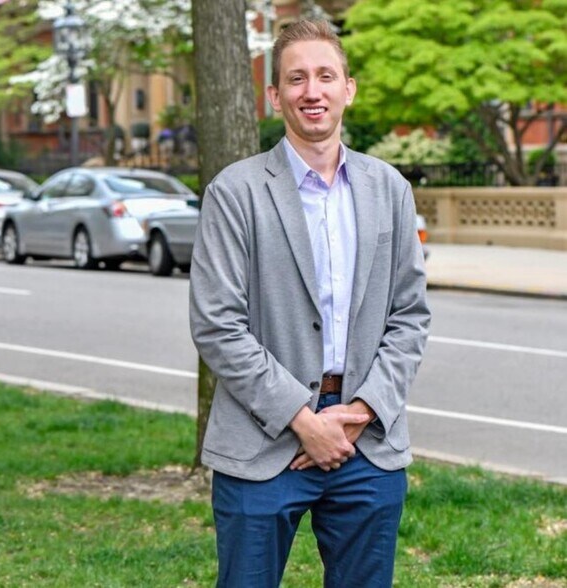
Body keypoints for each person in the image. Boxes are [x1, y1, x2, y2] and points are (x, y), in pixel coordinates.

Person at [189, 19, 431, 588]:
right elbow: (217, 325)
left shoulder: (390, 189)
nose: (312, 91)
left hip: (367, 443)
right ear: (275, 97)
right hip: (261, 443)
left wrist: (360, 413)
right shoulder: (234, 192)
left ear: (349, 88)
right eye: (296, 79)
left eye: (325, 76)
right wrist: (303, 420)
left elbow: (410, 316)